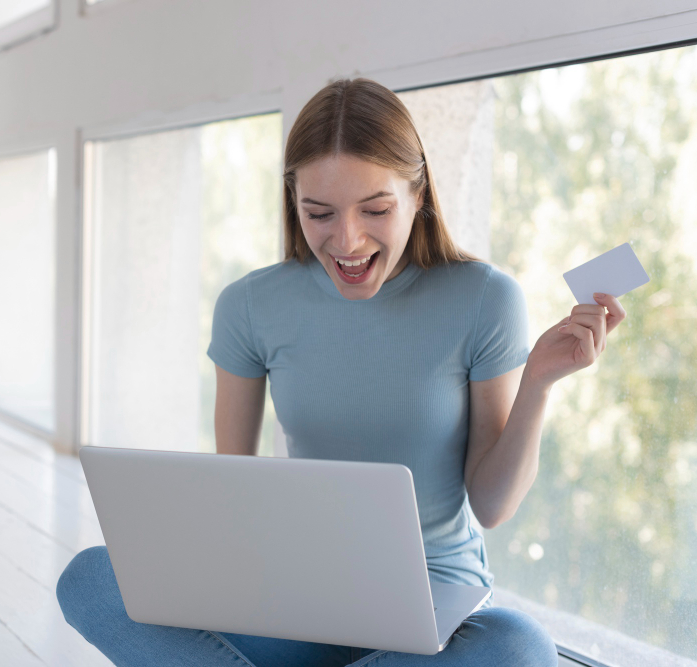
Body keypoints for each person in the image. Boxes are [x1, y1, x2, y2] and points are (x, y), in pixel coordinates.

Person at [56, 78, 627, 666]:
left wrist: (536, 383)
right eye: (319, 213)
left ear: (418, 192)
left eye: (376, 209)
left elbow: (491, 506)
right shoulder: (250, 306)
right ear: (292, 202)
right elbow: (234, 493)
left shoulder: (484, 298)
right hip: (294, 601)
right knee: (91, 577)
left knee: (520, 647)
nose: (347, 241)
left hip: (431, 614)